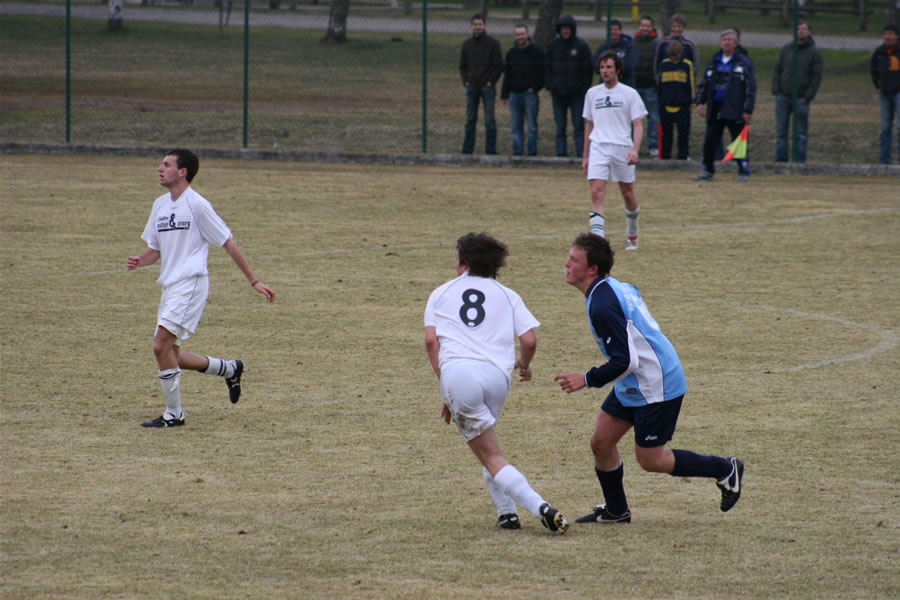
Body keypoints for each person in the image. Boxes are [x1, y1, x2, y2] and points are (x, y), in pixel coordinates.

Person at [555, 233, 745, 524]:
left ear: (592, 269)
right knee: (601, 442)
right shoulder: (612, 287)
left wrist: (587, 378)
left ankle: (725, 469)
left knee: (650, 460)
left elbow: (625, 360)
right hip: (633, 380)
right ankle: (616, 511)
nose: (566, 264)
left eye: (573, 260)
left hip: (657, 384)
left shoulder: (602, 304)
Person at [424, 233, 568, 535]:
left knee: (490, 454)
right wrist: (524, 366)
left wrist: (448, 387)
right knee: (488, 445)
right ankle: (507, 514)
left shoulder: (441, 292)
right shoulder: (508, 294)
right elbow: (529, 340)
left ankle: (541, 508)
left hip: (459, 375)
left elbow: (431, 342)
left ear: (464, 262)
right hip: (497, 378)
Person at [127, 149, 275, 428]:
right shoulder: (160, 205)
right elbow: (155, 249)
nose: (160, 168)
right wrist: (141, 261)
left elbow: (227, 242)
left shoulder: (197, 205)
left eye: (167, 164)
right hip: (170, 286)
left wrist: (254, 281)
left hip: (191, 283)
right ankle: (229, 368)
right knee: (171, 355)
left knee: (160, 347)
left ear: (182, 172)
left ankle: (174, 414)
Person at [582, 51, 647, 249]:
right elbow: (589, 125)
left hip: (622, 148)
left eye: (609, 67)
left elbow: (638, 125)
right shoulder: (592, 94)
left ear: (617, 70)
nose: (605, 71)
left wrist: (635, 150)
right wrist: (586, 156)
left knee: (627, 194)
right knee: (596, 192)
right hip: (598, 148)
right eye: (602, 67)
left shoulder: (629, 94)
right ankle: (598, 243)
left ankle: (632, 234)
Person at [695, 29, 756, 183]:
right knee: (710, 140)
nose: (726, 43)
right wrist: (700, 101)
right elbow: (705, 82)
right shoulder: (714, 61)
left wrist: (748, 109)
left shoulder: (743, 63)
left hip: (735, 109)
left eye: (730, 40)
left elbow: (751, 87)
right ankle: (707, 170)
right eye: (724, 40)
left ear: (736, 43)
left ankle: (743, 171)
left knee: (738, 141)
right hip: (715, 108)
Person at [772, 21, 823, 163]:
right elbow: (777, 69)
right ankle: (780, 161)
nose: (800, 31)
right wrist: (776, 90)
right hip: (783, 96)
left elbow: (816, 77)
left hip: (801, 98)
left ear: (809, 32)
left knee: (800, 133)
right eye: (798, 29)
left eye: (804, 29)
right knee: (781, 132)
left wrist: (808, 96)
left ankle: (799, 162)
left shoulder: (814, 52)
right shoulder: (786, 49)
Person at [545, 15, 594, 158]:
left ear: (572, 29)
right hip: (558, 94)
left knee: (579, 127)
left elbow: (588, 70)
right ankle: (561, 154)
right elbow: (547, 67)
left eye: (567, 28)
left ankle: (581, 155)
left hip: (577, 95)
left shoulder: (582, 46)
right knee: (560, 128)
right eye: (562, 29)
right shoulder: (553, 46)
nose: (565, 31)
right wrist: (550, 86)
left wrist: (583, 89)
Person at [459, 14, 504, 155]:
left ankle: (490, 151)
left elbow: (499, 65)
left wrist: (491, 81)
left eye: (480, 24)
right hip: (472, 86)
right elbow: (463, 66)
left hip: (487, 87)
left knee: (489, 120)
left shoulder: (493, 43)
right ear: (472, 26)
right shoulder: (467, 44)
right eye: (475, 24)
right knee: (470, 119)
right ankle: (467, 151)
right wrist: (466, 81)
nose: (477, 27)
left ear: (484, 25)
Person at [500, 24, 545, 156]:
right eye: (517, 34)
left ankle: (532, 153)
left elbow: (543, 73)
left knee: (531, 126)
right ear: (515, 37)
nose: (520, 37)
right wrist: (504, 94)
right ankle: (518, 153)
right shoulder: (511, 53)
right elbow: (507, 75)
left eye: (522, 34)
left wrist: (535, 88)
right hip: (514, 94)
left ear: (527, 35)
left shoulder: (536, 52)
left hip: (529, 94)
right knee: (515, 126)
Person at [658, 39, 695, 160]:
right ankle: (665, 156)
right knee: (666, 133)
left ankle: (683, 156)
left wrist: (692, 102)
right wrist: (661, 100)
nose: (674, 57)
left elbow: (691, 84)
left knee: (683, 132)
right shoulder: (664, 64)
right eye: (672, 55)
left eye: (676, 55)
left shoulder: (687, 65)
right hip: (666, 105)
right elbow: (660, 85)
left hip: (682, 106)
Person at [871, 24, 900, 164]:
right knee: (885, 127)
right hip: (884, 93)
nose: (888, 36)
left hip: (898, 92)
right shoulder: (879, 52)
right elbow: (873, 70)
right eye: (886, 33)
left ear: (896, 36)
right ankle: (884, 161)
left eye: (891, 34)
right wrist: (878, 85)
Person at [632, 15, 660, 158]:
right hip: (635, 87)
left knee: (653, 118)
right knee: (633, 118)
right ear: (639, 27)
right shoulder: (632, 43)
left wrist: (655, 82)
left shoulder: (657, 44)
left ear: (652, 28)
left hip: (650, 87)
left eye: (647, 26)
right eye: (642, 25)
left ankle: (654, 146)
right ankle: (631, 146)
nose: (645, 28)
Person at [654, 14, 700, 83]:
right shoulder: (662, 43)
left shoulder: (689, 44)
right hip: (666, 81)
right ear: (670, 27)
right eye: (674, 26)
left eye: (679, 26)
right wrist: (658, 79)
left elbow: (695, 64)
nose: (676, 29)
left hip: (683, 82)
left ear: (683, 27)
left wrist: (689, 78)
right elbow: (656, 63)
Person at [592, 19, 636, 87]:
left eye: (615, 29)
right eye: (610, 29)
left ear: (620, 31)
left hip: (625, 83)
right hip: (607, 85)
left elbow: (630, 65)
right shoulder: (603, 47)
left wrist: (613, 64)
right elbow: (595, 63)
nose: (613, 32)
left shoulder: (628, 46)